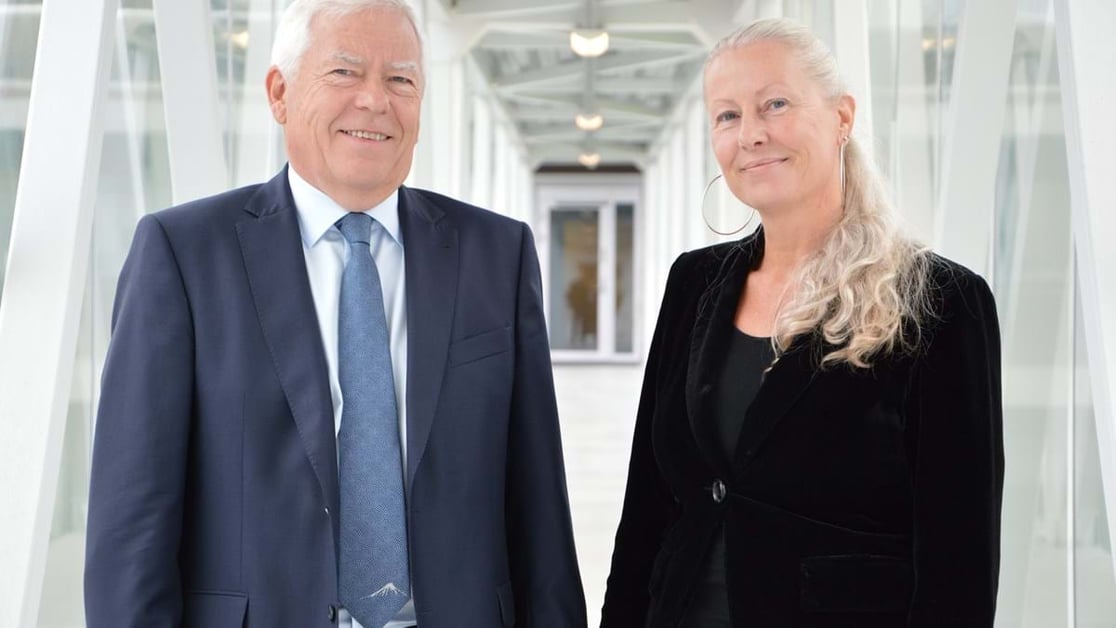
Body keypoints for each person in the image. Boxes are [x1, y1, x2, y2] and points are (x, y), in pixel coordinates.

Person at [84, 1, 587, 627]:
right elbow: (131, 525)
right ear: (279, 93)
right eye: (345, 72)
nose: (375, 100)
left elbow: (540, 507)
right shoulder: (183, 254)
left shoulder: (496, 254)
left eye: (400, 79)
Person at [600, 18, 1003, 628]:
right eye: (727, 115)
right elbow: (647, 509)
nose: (750, 134)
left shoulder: (941, 301)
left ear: (842, 117)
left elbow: (960, 560)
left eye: (776, 104)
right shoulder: (693, 283)